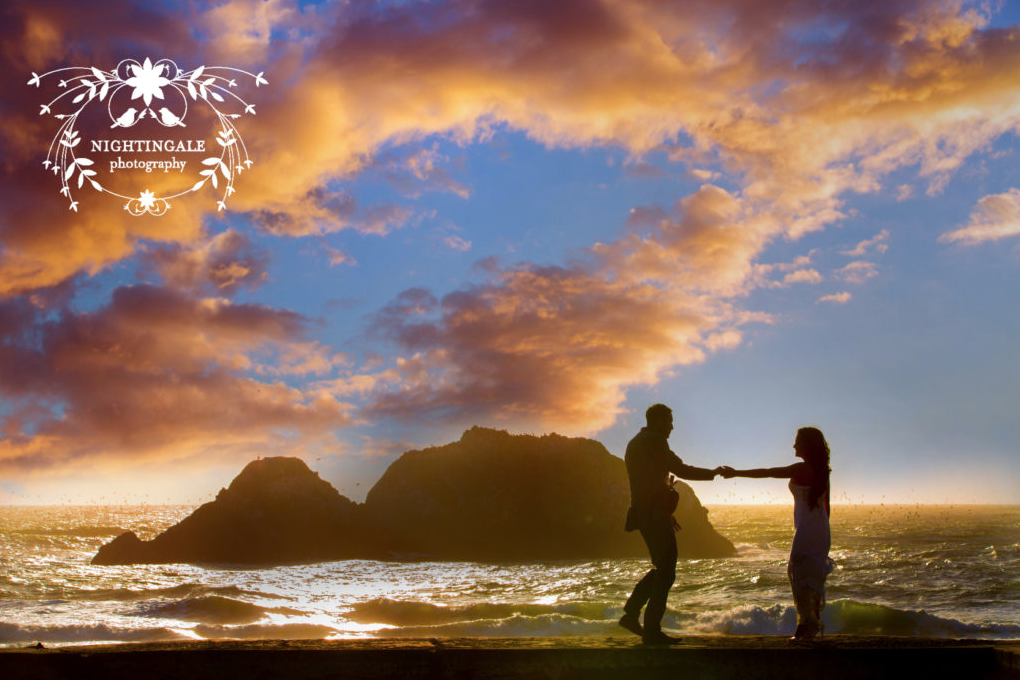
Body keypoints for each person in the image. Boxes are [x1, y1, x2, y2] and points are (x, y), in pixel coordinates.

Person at [619, 403, 725, 645]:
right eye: (669, 422)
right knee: (666, 571)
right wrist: (714, 473)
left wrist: (666, 512)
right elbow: (681, 469)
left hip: (647, 513)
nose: (672, 427)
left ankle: (632, 613)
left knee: (661, 567)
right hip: (654, 515)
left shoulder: (637, 442)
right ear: (657, 421)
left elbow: (648, 482)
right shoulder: (655, 441)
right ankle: (651, 630)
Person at [719, 426, 835, 641]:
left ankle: (805, 628)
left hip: (808, 529)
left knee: (800, 575)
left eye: (797, 441)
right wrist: (822, 532)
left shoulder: (801, 469)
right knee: (812, 576)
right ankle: (811, 625)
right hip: (820, 528)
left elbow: (768, 472)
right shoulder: (822, 470)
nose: (794, 445)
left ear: (807, 445)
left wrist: (736, 473)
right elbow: (827, 506)